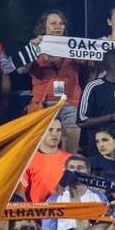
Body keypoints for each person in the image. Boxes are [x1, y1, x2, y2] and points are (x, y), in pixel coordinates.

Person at [20, 10, 83, 149]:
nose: (57, 26)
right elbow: (21, 70)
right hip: (44, 102)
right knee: (42, 147)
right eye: (53, 23)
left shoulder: (74, 45)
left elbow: (91, 62)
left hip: (70, 102)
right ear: (44, 26)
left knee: (70, 150)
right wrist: (32, 50)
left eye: (61, 24)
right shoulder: (35, 46)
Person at [19, 119, 72, 204]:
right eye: (50, 129)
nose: (55, 134)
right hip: (38, 214)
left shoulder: (71, 159)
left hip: (65, 214)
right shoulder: (28, 160)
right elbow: (20, 193)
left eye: (58, 130)